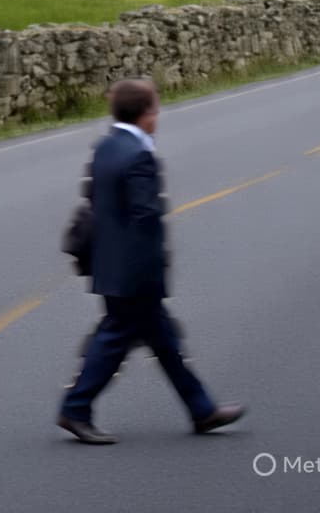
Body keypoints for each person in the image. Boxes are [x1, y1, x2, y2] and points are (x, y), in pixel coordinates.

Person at [56, 77, 245, 443]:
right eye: (155, 108)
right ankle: (75, 408)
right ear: (146, 114)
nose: (157, 116)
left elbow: (96, 202)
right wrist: (154, 271)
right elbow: (145, 220)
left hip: (110, 264)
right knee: (114, 340)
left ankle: (202, 410)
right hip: (133, 273)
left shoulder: (106, 147)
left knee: (165, 341)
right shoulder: (139, 155)